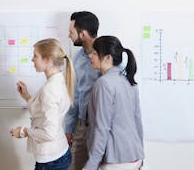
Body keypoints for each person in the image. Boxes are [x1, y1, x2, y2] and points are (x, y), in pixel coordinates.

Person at [10, 38, 75, 170]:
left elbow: (49, 133)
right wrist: (27, 96)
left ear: (48, 60)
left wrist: (23, 132)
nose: (32, 59)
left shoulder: (49, 89)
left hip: (51, 160)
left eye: (35, 55)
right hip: (59, 153)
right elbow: (44, 113)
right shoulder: (59, 80)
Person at [83, 36, 144, 170]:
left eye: (94, 53)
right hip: (135, 158)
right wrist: (141, 156)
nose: (90, 56)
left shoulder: (104, 83)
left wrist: (91, 165)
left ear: (108, 58)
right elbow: (137, 121)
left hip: (115, 161)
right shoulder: (129, 80)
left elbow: (102, 128)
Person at [65, 11, 101, 170]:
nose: (68, 35)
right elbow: (74, 96)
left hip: (101, 126)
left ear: (83, 34)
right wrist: (68, 129)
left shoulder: (108, 56)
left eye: (71, 32)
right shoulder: (76, 59)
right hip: (81, 126)